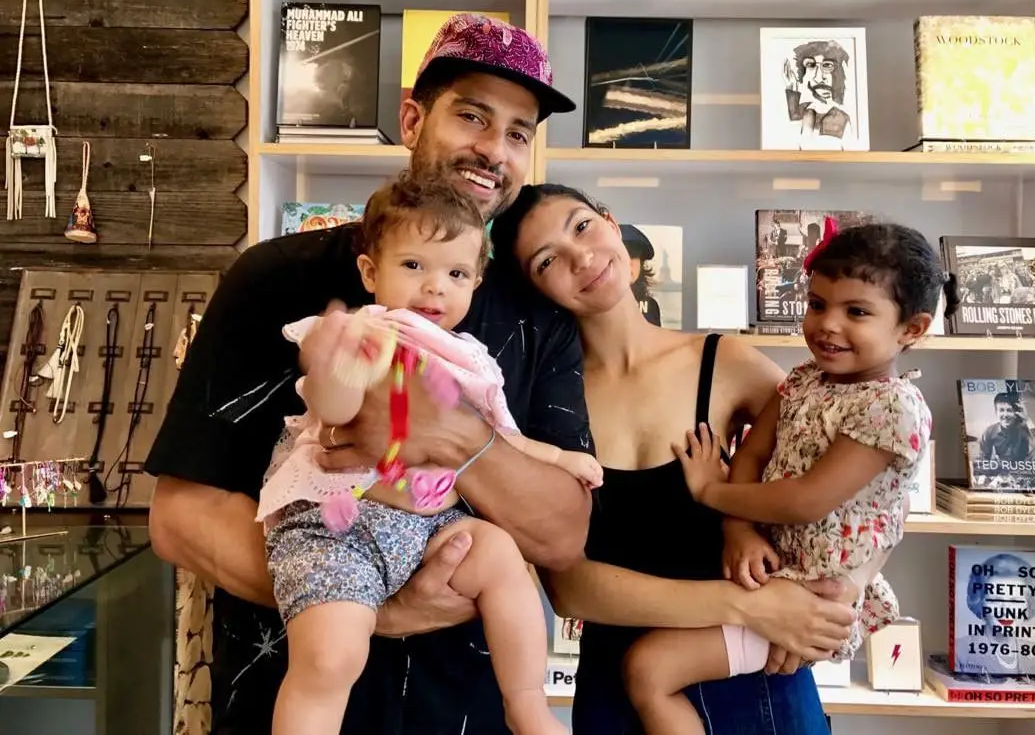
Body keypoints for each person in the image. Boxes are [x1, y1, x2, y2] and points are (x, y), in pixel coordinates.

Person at [145, 14, 593, 735]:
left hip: (465, 712)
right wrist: (374, 606)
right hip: (284, 693)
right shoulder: (276, 279)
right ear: (412, 118)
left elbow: (563, 535)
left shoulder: (537, 313)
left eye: (517, 132)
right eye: (472, 116)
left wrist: (456, 437)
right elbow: (180, 520)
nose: (494, 150)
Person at [490, 185, 861, 735]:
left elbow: (858, 473)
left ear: (613, 224)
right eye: (548, 260)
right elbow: (571, 588)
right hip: (620, 684)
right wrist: (751, 609)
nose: (581, 257)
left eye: (582, 226)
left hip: (754, 674)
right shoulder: (541, 408)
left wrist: (837, 594)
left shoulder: (725, 360)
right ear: (533, 286)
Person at [260, 174, 604, 735]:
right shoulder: (367, 332)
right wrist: (331, 365)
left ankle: (527, 707)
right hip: (342, 525)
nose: (435, 288)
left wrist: (559, 459)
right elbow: (335, 406)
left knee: (502, 562)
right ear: (372, 272)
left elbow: (500, 438)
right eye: (414, 266)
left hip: (432, 523)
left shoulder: (470, 357)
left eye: (456, 274)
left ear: (477, 280)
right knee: (330, 655)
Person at [619, 221, 959, 734]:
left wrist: (711, 491)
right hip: (771, 571)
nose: (828, 324)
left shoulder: (892, 408)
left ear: (911, 329)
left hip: (812, 594)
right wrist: (737, 528)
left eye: (857, 312)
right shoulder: (802, 379)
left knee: (649, 669)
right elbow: (754, 454)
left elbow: (806, 500)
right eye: (818, 304)